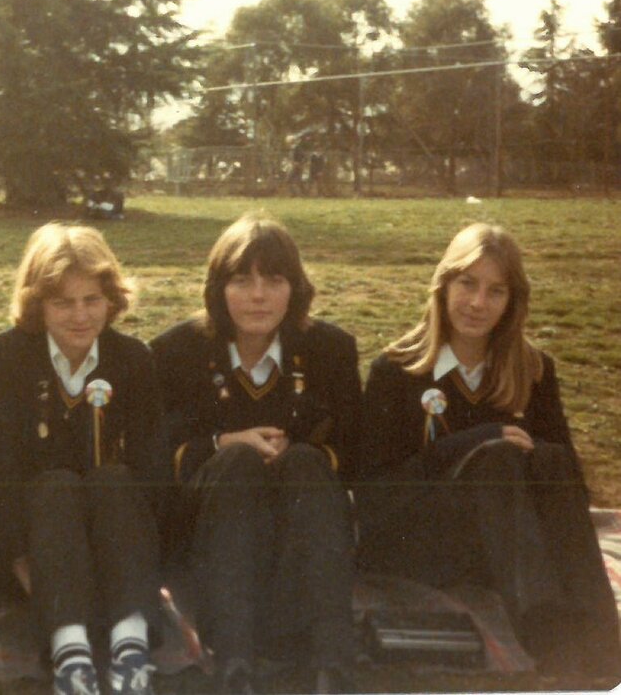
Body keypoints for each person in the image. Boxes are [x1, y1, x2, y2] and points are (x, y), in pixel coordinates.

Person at [355, 222, 621, 682]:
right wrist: (472, 443)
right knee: (495, 457)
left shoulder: (532, 368)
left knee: (552, 457)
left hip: (508, 544)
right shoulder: (397, 369)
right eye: (467, 284)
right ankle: (546, 630)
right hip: (419, 544)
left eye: (495, 291)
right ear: (443, 285)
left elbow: (571, 488)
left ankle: (603, 640)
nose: (478, 303)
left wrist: (533, 455)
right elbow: (376, 497)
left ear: (512, 301)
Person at [150, 213, 361, 694]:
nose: (258, 295)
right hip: (206, 526)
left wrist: (295, 456)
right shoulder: (174, 351)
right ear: (218, 289)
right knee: (239, 462)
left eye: (274, 279)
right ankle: (234, 658)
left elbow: (356, 450)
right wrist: (221, 445)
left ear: (296, 288)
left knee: (308, 462)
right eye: (241, 280)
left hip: (297, 518)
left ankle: (331, 662)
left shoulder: (330, 348)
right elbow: (156, 455)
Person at [0, 223, 165, 695]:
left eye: (92, 300)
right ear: (37, 304)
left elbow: (153, 471)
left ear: (112, 300)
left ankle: (130, 647)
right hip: (36, 551)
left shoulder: (133, 359)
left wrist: (138, 559)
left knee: (115, 479)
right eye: (63, 302)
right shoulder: (3, 360)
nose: (80, 315)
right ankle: (71, 653)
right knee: (56, 483)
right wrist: (23, 567)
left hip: (115, 546)